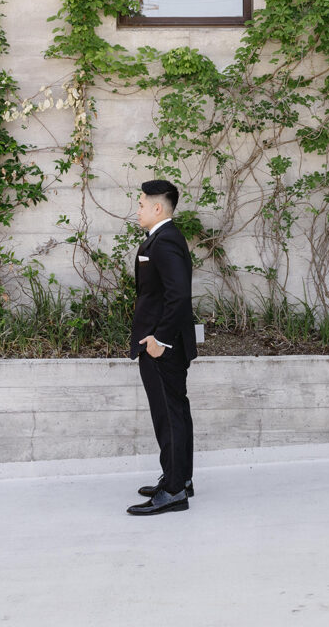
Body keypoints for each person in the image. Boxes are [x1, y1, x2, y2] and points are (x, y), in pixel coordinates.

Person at [126, 179, 197, 516]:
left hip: (161, 346)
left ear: (158, 208)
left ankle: (172, 491)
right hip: (166, 343)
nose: (137, 209)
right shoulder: (164, 238)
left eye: (141, 204)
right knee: (176, 412)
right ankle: (179, 479)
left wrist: (160, 340)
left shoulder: (165, 241)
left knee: (168, 415)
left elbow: (178, 295)